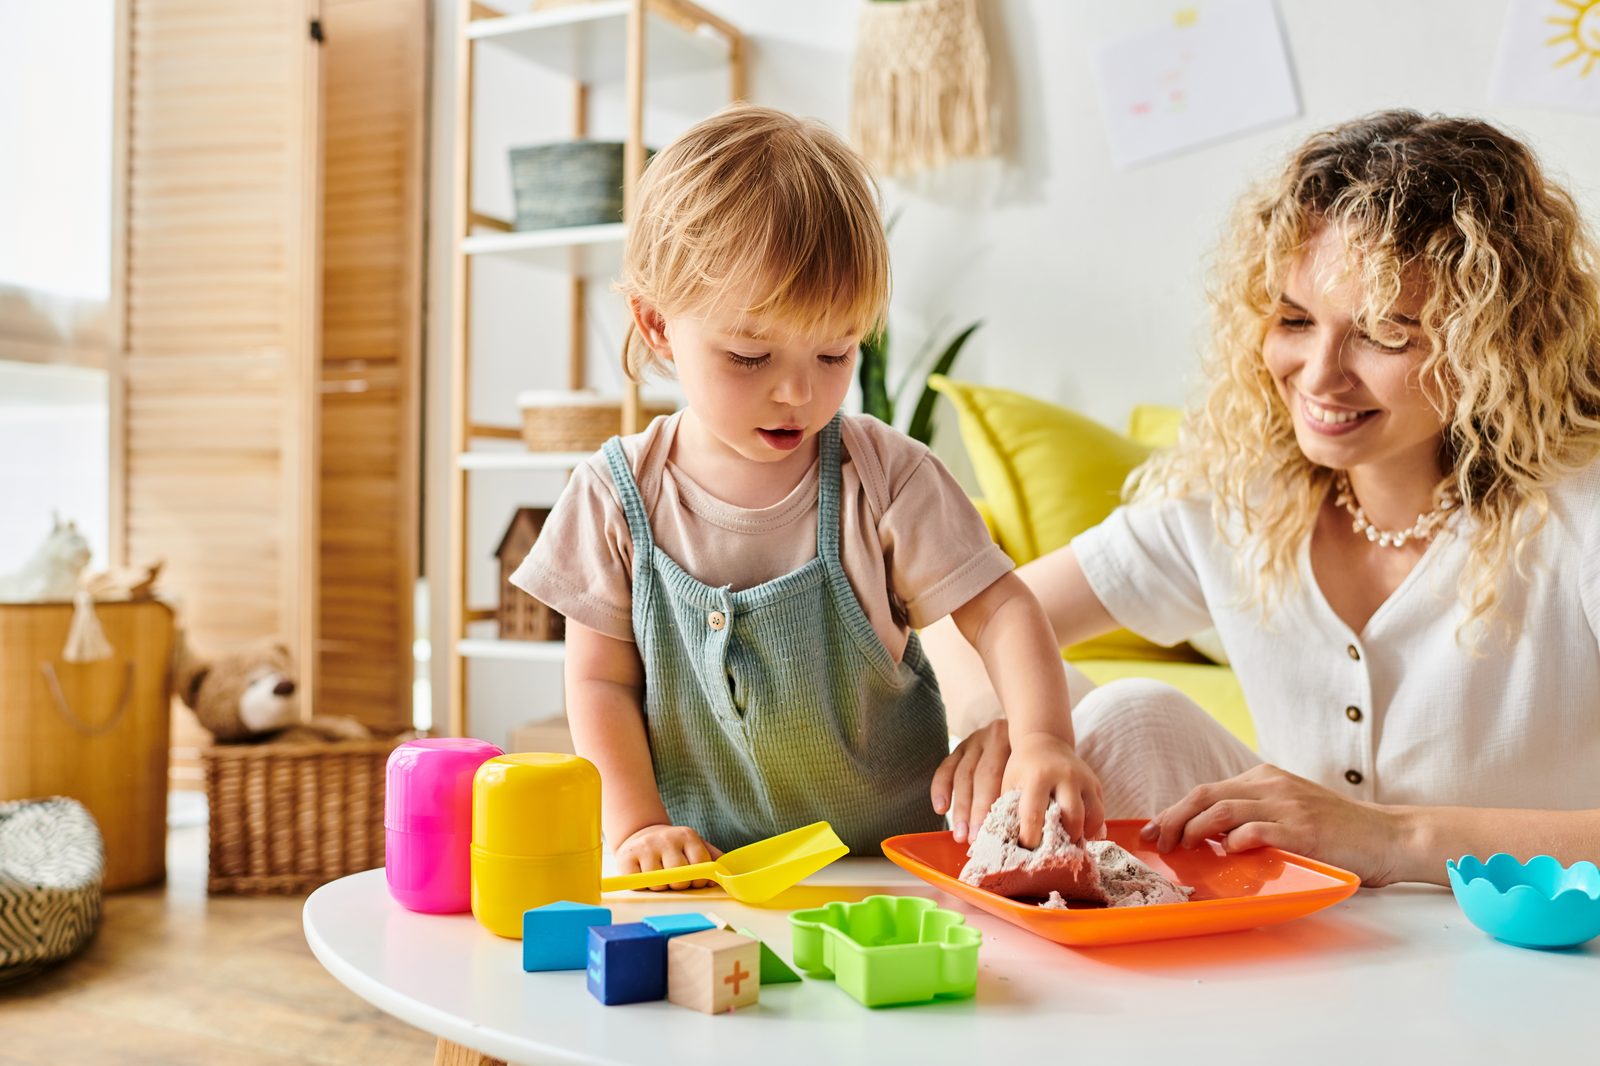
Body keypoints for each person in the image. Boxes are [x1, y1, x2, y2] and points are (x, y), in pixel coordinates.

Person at [923, 110, 1600, 886]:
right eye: (1295, 320)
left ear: (1493, 341)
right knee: (1127, 717)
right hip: (1307, 931)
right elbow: (964, 619)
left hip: (1542, 952)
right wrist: (994, 720)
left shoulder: (1580, 509)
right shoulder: (1239, 498)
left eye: (1383, 334)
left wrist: (1388, 838)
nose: (1318, 375)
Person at [512, 104, 1101, 888]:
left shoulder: (883, 477)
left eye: (835, 352)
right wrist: (640, 826)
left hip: (891, 871)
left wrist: (1042, 738)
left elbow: (1003, 609)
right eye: (749, 356)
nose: (797, 390)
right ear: (656, 325)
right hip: (710, 875)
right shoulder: (614, 499)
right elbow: (599, 683)